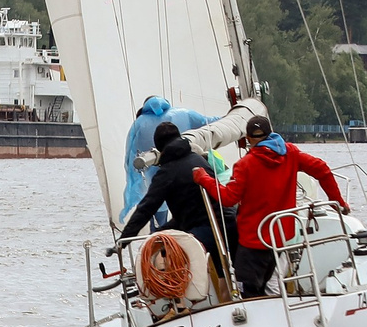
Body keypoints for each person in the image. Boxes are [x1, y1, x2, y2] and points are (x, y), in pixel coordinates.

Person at [216, 112, 349, 296]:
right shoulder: (291, 153)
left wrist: (205, 180)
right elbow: (322, 170)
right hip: (280, 236)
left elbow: (229, 198)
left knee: (249, 291)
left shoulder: (244, 164)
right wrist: (337, 201)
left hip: (253, 240)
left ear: (247, 139)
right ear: (271, 134)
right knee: (270, 284)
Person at [118, 122, 229, 263]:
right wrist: (159, 232)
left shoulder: (167, 173)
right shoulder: (198, 159)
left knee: (167, 253)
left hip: (206, 231)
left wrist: (123, 240)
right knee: (160, 236)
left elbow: (146, 208)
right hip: (226, 224)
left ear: (158, 148)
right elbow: (192, 210)